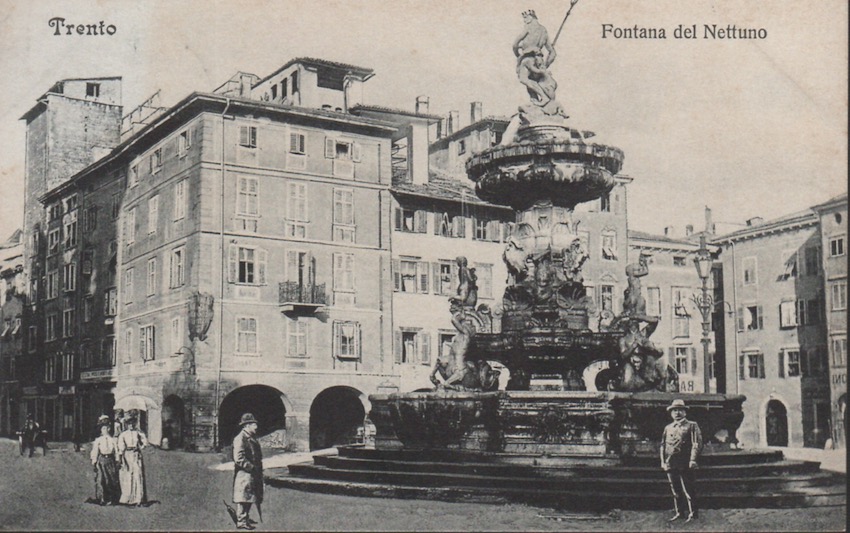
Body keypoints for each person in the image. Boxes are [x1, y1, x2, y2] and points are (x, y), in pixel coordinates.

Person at [660, 399, 703, 522]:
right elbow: (663, 445)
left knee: (689, 489)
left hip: (686, 463)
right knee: (676, 490)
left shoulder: (692, 425)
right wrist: (663, 462)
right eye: (674, 410)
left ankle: (693, 514)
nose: (677, 413)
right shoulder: (668, 428)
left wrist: (693, 459)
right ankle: (680, 513)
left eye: (680, 410)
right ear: (671, 413)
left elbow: (697, 443)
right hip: (671, 462)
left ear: (685, 412)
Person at [233, 413, 263, 530]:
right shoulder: (240, 438)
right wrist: (251, 467)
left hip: (252, 473)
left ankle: (245, 518)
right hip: (244, 473)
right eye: (253, 424)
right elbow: (238, 458)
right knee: (243, 497)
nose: (256, 426)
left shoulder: (251, 437)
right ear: (246, 426)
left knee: (250, 496)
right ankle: (241, 521)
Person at [117, 415, 148, 506]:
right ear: (126, 425)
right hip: (127, 455)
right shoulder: (123, 434)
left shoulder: (137, 433)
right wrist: (121, 457)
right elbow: (121, 447)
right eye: (129, 424)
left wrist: (141, 446)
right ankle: (127, 499)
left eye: (132, 423)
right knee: (128, 475)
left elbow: (144, 442)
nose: (131, 425)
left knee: (137, 474)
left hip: (136, 454)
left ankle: (138, 499)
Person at [90, 418, 120, 506]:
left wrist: (117, 460)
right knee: (101, 479)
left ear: (109, 429)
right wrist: (94, 461)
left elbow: (116, 451)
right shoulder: (98, 440)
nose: (104, 430)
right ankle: (102, 498)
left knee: (111, 479)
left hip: (110, 460)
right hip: (102, 460)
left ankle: (112, 498)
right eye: (103, 428)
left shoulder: (113, 440)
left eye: (106, 428)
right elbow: (95, 451)